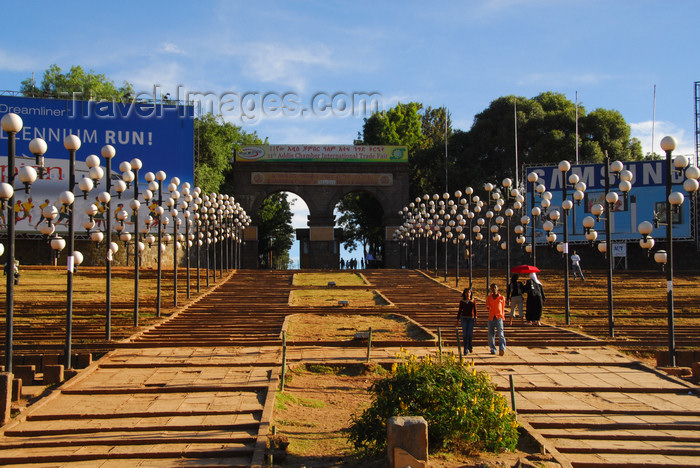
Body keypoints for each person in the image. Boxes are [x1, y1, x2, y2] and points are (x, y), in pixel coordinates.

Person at [485, 283, 506, 355]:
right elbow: (487, 305)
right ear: (491, 289)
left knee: (501, 333)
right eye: (492, 288)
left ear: (497, 288)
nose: (494, 289)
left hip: (498, 317)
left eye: (495, 288)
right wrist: (488, 307)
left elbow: (503, 307)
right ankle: (493, 348)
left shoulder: (501, 297)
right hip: (491, 317)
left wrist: (502, 316)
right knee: (491, 334)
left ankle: (502, 348)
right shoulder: (489, 297)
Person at [456, 288, 477, 355]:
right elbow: (460, 311)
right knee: (465, 334)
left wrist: (475, 318)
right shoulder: (462, 301)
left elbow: (475, 310)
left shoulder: (473, 301)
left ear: (471, 293)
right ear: (465, 293)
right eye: (467, 292)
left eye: (469, 292)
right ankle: (465, 349)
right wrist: (457, 320)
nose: (468, 294)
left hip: (471, 318)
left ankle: (470, 346)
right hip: (464, 318)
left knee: (470, 334)